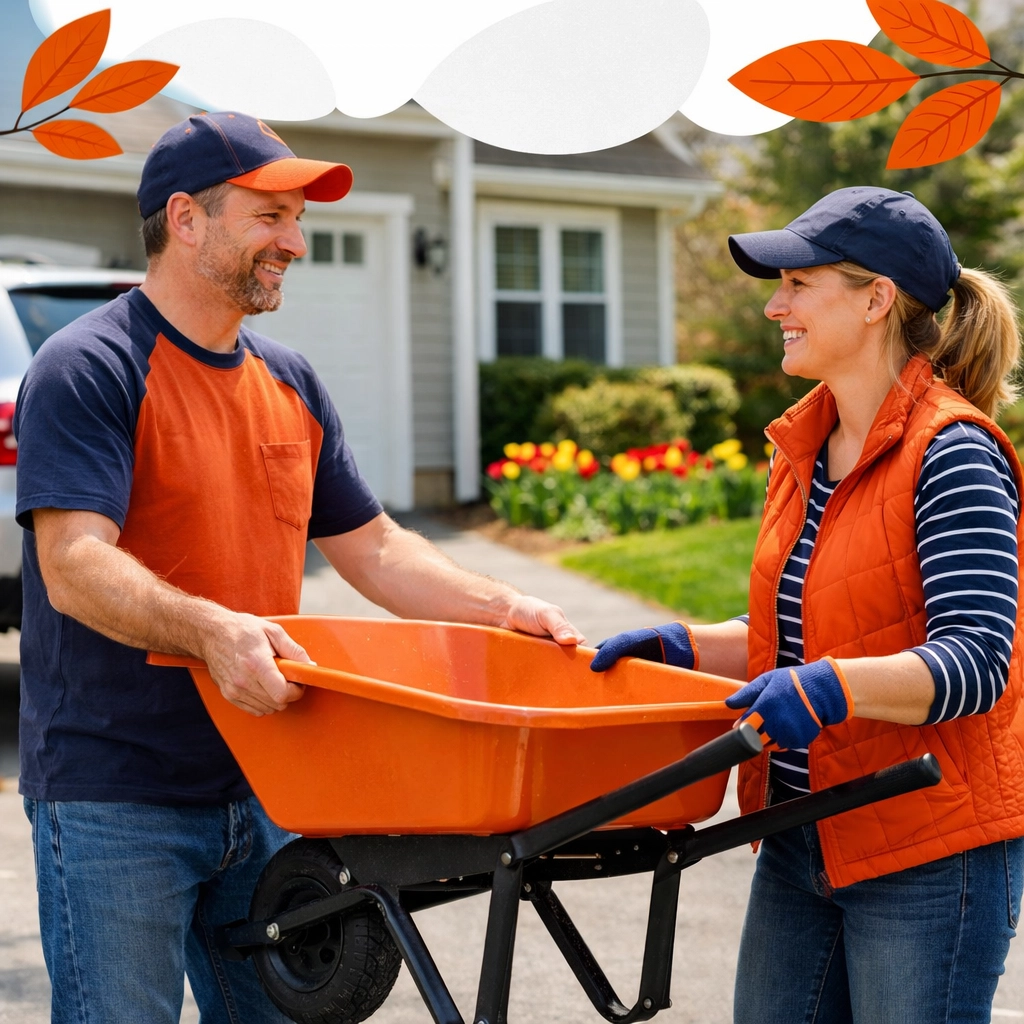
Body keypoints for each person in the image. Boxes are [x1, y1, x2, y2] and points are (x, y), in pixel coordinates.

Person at [13, 111, 585, 1024]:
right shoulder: (89, 366)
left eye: (298, 219)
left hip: (275, 780)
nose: (296, 242)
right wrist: (211, 630)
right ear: (187, 220)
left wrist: (503, 604)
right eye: (270, 217)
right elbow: (74, 563)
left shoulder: (291, 380)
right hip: (117, 796)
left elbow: (376, 548)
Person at [591, 186, 1024, 1023]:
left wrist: (831, 688)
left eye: (798, 283)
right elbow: (806, 632)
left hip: (927, 851)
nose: (772, 304)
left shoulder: (953, 452)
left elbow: (976, 662)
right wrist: (684, 648)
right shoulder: (805, 448)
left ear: (876, 300)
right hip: (803, 835)